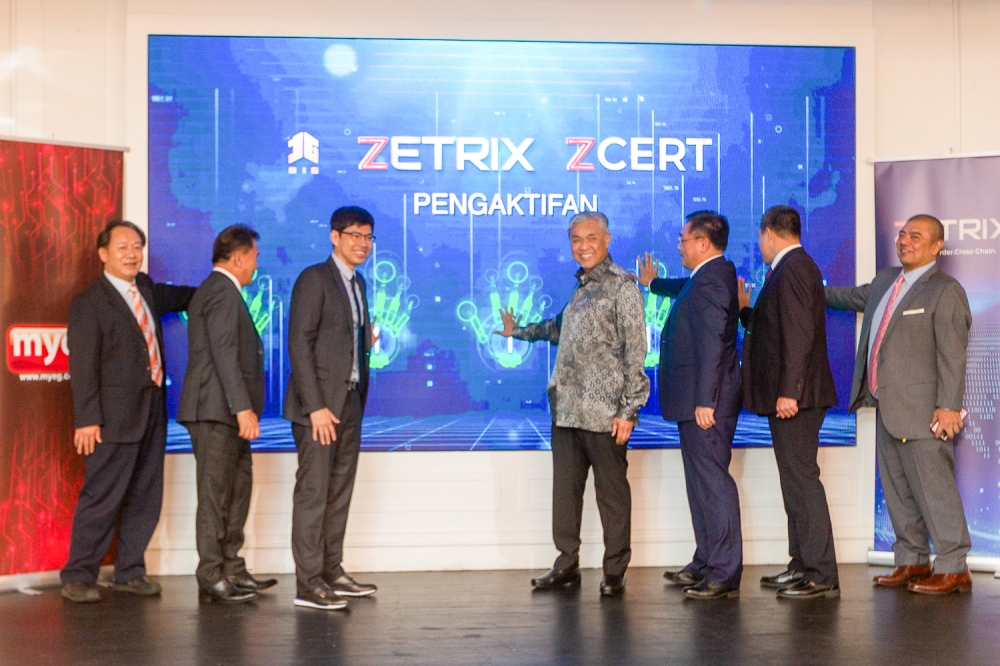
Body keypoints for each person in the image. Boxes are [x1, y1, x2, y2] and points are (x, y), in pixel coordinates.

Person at [496, 211, 648, 597]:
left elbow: (636, 352)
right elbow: (556, 329)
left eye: (590, 237)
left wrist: (628, 410)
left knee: (612, 496)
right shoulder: (580, 289)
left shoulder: (622, 287)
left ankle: (615, 571)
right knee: (565, 493)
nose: (583, 246)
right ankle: (566, 564)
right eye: (576, 239)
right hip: (566, 410)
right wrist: (519, 332)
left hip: (605, 414)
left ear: (607, 239)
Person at [827, 214, 973, 595]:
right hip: (886, 408)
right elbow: (849, 298)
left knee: (935, 490)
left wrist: (948, 407)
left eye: (916, 236)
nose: (905, 240)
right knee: (898, 491)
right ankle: (911, 561)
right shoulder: (884, 281)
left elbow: (953, 356)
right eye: (903, 234)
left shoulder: (945, 290)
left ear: (937, 245)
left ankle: (954, 566)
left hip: (926, 414)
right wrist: (808, 287)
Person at [61, 221, 196, 603]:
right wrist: (87, 419)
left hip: (152, 409)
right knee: (102, 496)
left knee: (145, 495)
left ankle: (130, 571)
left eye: (137, 246)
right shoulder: (89, 302)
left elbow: (187, 296)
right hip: (111, 417)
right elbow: (83, 367)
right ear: (103, 253)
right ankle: (78, 574)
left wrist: (223, 286)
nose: (132, 253)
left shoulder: (148, 289)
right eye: (122, 247)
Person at [633, 211, 743, 600]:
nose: (678, 246)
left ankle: (724, 571)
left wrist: (705, 400)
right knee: (700, 486)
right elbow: (683, 288)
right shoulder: (708, 277)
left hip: (705, 404)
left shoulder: (712, 280)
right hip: (695, 402)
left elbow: (713, 343)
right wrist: (653, 283)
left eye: (683, 240)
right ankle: (707, 560)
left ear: (702, 243)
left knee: (713, 486)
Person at [738, 205, 840, 599]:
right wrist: (748, 310)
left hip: (797, 398)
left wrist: (790, 391)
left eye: (760, 238)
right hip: (793, 395)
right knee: (794, 483)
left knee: (802, 482)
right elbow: (775, 328)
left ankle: (820, 572)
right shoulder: (789, 268)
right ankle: (801, 565)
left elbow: (799, 334)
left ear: (768, 233)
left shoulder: (794, 267)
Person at [285, 206, 379, 611]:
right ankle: (308, 584)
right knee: (314, 493)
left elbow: (336, 341)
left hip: (351, 400)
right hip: (320, 408)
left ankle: (331, 570)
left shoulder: (358, 284)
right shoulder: (314, 279)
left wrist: (363, 345)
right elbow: (299, 345)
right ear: (334, 236)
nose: (362, 244)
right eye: (354, 235)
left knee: (338, 492)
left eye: (368, 237)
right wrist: (315, 407)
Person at [178, 224, 275, 604]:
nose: (256, 265)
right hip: (217, 411)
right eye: (254, 257)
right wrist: (243, 409)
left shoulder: (224, 292)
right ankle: (211, 574)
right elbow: (224, 354)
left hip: (225, 413)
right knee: (216, 495)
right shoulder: (220, 291)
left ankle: (232, 568)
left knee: (237, 491)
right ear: (238, 258)